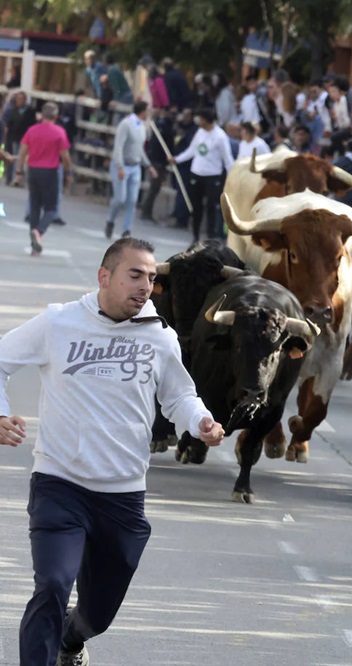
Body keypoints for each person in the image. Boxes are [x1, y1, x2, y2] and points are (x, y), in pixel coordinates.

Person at [0, 238, 226, 666]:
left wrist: (200, 422)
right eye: (135, 275)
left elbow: (179, 396)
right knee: (52, 584)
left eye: (152, 278)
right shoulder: (59, 323)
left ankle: (72, 639)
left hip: (122, 494)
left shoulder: (160, 336)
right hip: (59, 484)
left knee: (97, 615)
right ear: (104, 277)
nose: (146, 286)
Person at [13, 102, 72, 256]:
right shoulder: (59, 132)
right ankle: (39, 232)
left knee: (34, 207)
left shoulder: (32, 130)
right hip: (50, 171)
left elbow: (22, 153)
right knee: (51, 209)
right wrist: (68, 172)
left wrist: (19, 172)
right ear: (56, 116)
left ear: (42, 115)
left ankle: (34, 244)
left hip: (33, 170)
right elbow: (65, 155)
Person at [168, 108, 233, 241]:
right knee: (196, 206)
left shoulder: (220, 136)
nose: (199, 121)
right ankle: (195, 236)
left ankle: (210, 236)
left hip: (212, 176)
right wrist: (177, 159)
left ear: (207, 121)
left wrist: (232, 175)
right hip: (196, 173)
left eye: (201, 119)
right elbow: (192, 150)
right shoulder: (200, 132)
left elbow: (227, 158)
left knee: (211, 207)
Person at [106, 101, 157, 239]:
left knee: (132, 200)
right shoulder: (126, 124)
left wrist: (148, 165)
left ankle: (126, 229)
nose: (149, 113)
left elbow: (140, 149)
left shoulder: (142, 126)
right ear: (142, 111)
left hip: (135, 166)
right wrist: (120, 166)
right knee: (120, 199)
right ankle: (110, 220)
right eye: (148, 110)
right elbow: (119, 146)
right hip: (123, 164)